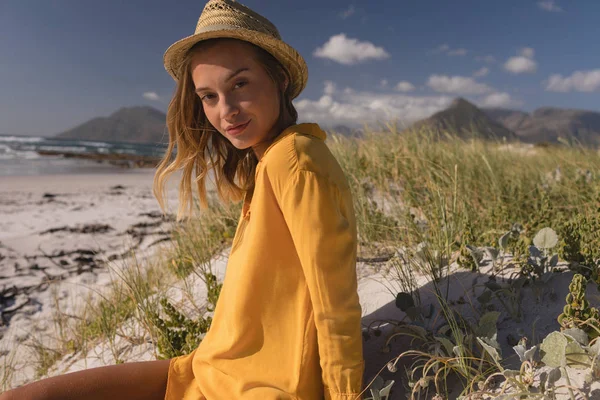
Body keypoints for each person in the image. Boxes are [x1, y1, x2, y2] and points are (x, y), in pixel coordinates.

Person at [0, 0, 365, 399]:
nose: (225, 111)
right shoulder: (270, 164)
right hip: (204, 370)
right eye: (208, 96)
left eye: (239, 84)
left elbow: (335, 301)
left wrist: (345, 394)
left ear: (278, 78)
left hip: (251, 388)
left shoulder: (294, 160)